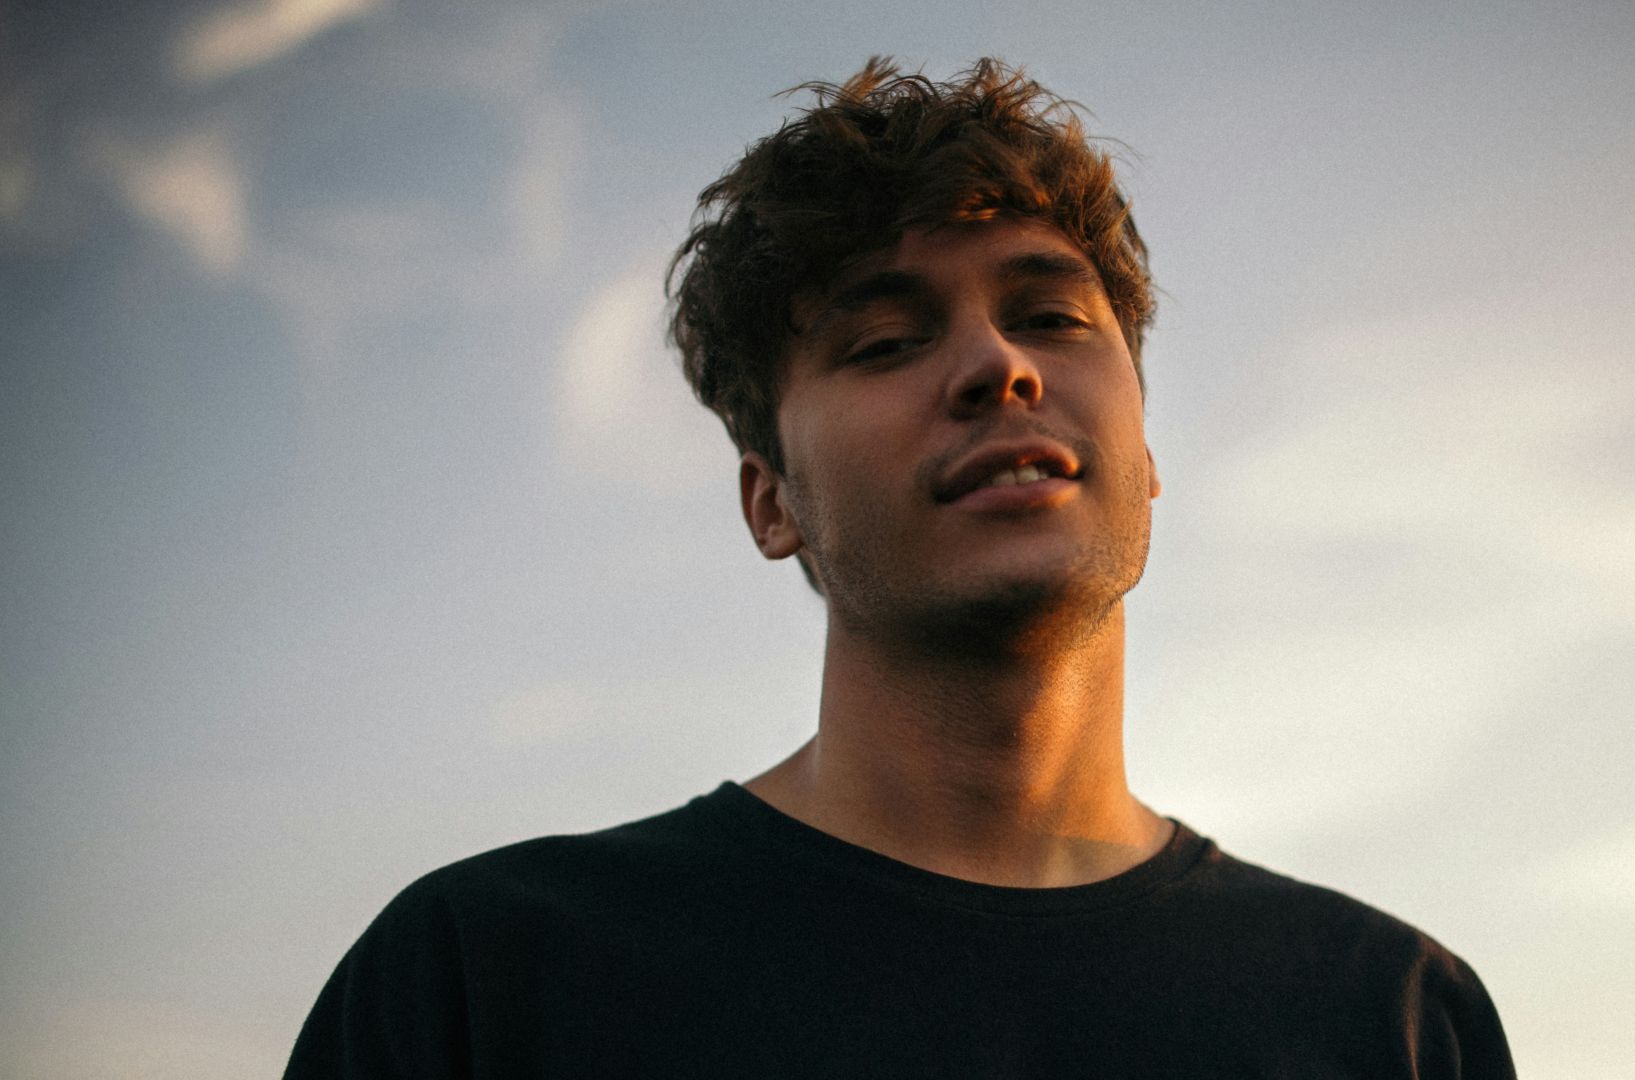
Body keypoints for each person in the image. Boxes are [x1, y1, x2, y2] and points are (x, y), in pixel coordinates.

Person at [285, 58, 1516, 1078]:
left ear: (1146, 456)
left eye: (1051, 318)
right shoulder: (486, 980)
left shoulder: (1396, 1019)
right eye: (884, 340)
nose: (997, 366)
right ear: (773, 502)